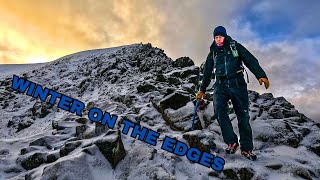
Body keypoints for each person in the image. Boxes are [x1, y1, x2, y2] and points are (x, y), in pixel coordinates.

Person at [196, 26, 270, 161]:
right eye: (216, 37)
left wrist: (261, 75)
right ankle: (232, 141)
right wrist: (202, 89)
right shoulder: (213, 53)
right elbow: (206, 72)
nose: (218, 39)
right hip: (220, 85)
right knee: (219, 111)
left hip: (237, 84)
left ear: (225, 36)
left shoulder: (234, 46)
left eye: (220, 37)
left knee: (243, 115)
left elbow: (250, 59)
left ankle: (247, 149)